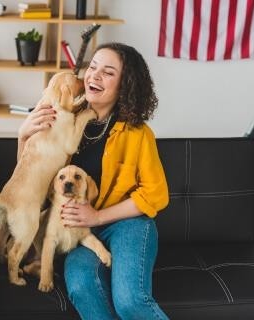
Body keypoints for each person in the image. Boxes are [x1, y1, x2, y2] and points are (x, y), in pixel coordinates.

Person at [18, 42, 169, 319]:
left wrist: (97, 216)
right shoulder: (61, 121)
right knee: (81, 285)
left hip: (127, 224)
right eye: (93, 67)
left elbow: (156, 194)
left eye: (108, 72)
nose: (94, 76)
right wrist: (23, 136)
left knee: (130, 301)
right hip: (79, 233)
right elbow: (30, 185)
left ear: (125, 85)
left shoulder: (138, 134)